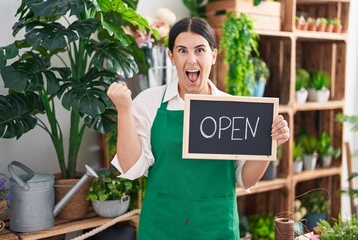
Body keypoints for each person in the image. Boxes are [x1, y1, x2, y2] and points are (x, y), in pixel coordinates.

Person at [107, 17, 290, 240]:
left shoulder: (235, 108)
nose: (191, 59)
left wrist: (267, 143)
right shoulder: (149, 102)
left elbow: (246, 179)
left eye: (200, 50)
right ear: (171, 56)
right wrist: (124, 111)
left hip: (217, 225)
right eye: (182, 50)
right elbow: (132, 168)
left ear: (213, 55)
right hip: (163, 225)